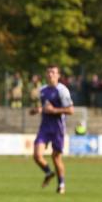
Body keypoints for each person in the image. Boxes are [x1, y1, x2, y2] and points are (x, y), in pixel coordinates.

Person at [29, 65, 74, 194]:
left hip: (57, 128)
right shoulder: (42, 90)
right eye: (48, 72)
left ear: (58, 75)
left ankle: (61, 184)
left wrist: (54, 110)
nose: (50, 75)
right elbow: (42, 107)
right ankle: (49, 172)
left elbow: (71, 110)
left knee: (56, 157)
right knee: (37, 155)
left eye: (53, 73)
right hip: (44, 127)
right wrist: (36, 110)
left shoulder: (62, 90)